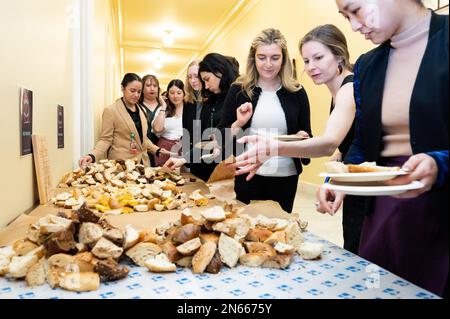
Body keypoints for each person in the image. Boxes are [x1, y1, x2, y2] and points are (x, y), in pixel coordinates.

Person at [315, 0, 448, 297]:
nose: (354, 25)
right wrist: (339, 180)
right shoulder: (367, 65)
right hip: (384, 208)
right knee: (377, 287)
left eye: (356, 10)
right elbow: (364, 140)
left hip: (438, 213)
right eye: (345, 16)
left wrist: (439, 163)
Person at [233, 25, 367, 254]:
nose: (311, 67)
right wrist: (330, 180)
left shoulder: (348, 88)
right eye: (306, 61)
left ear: (339, 55)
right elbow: (345, 148)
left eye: (318, 57)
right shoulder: (337, 92)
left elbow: (328, 143)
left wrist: (274, 148)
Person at [219, 28, 312, 213]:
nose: (268, 64)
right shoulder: (238, 90)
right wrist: (238, 123)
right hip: (248, 174)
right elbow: (221, 137)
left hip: (286, 175)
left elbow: (307, 136)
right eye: (262, 57)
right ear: (253, 58)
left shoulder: (297, 92)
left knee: (280, 234)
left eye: (275, 58)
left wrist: (304, 137)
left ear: (284, 59)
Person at [165, 53, 240, 181]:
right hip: (204, 158)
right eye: (190, 77)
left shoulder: (236, 93)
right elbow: (202, 136)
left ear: (220, 72)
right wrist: (186, 158)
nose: (195, 81)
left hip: (230, 164)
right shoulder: (207, 99)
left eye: (204, 78)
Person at [79, 73, 168, 167]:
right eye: (132, 91)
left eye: (139, 92)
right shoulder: (111, 111)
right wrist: (92, 155)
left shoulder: (142, 110)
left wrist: (157, 150)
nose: (136, 95)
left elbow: (143, 139)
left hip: (143, 164)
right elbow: (105, 139)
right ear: (123, 88)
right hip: (121, 165)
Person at [152, 79, 185, 167]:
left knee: (183, 177)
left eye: (179, 92)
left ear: (184, 94)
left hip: (183, 148)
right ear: (167, 94)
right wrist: (163, 106)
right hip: (164, 148)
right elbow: (157, 129)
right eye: (172, 92)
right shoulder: (162, 109)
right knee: (162, 177)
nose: (175, 96)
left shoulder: (190, 110)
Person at [138, 74, 165, 166]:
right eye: (148, 85)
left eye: (155, 86)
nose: (152, 88)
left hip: (162, 147)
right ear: (142, 88)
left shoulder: (164, 106)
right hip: (143, 148)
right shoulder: (137, 106)